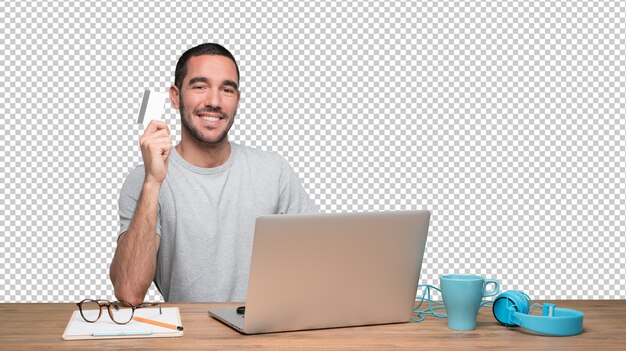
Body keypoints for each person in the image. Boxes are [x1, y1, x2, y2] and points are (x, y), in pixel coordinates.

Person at [110, 43, 318, 305]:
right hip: (187, 337)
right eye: (199, 86)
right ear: (175, 96)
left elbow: (321, 259)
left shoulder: (273, 171)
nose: (214, 102)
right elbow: (129, 293)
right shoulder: (142, 180)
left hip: (263, 336)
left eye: (227, 89)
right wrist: (153, 182)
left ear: (238, 100)